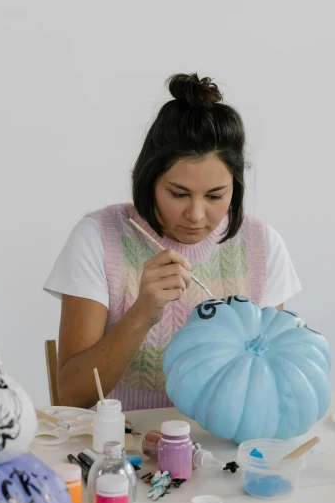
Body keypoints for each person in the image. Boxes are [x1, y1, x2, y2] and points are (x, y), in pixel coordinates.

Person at [44, 73, 301, 410]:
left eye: (215, 195)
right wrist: (142, 313)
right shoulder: (98, 238)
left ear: (235, 187)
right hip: (119, 450)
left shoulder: (262, 246)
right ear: (148, 179)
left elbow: (269, 383)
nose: (196, 214)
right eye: (178, 194)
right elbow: (73, 396)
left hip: (220, 449)